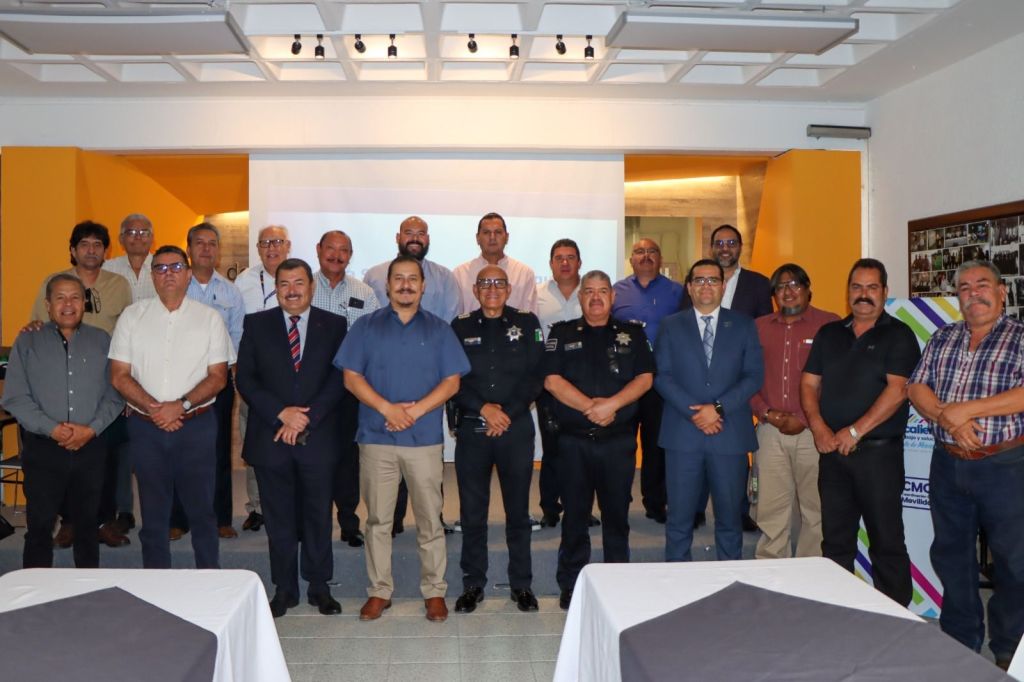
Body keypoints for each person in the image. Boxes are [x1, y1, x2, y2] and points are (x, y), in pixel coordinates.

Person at [335, 255, 470, 623]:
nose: (406, 285)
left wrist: (414, 411)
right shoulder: (365, 327)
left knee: (430, 520)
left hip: (423, 440)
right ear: (388, 285)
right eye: (399, 278)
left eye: (413, 279)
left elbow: (452, 382)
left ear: (423, 286)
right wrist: (387, 409)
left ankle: (434, 591)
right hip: (376, 437)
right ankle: (379, 591)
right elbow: (351, 377)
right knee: (378, 520)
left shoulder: (440, 330)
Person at [907, 259, 1024, 669]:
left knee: (1014, 560)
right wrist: (948, 418)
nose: (973, 293)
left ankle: (1010, 645)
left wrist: (968, 410)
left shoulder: (1019, 336)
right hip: (947, 464)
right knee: (951, 554)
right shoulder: (943, 336)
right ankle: (960, 636)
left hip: (1005, 466)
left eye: (982, 284)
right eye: (965, 288)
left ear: (1002, 291)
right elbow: (916, 386)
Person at [800, 258, 920, 606]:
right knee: (835, 541)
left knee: (886, 541)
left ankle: (894, 615)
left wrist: (854, 432)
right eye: (856, 287)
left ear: (884, 291)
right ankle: (837, 610)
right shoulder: (829, 333)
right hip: (832, 455)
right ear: (848, 291)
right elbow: (808, 384)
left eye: (871, 287)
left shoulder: (899, 335)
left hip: (878, 456)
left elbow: (898, 390)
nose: (863, 294)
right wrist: (819, 428)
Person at [109, 245, 234, 569]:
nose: (168, 274)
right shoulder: (132, 316)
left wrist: (180, 406)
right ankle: (157, 583)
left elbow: (218, 377)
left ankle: (208, 578)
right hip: (146, 428)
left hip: (196, 426)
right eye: (160, 268)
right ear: (152, 276)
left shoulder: (209, 318)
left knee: (202, 511)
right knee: (153, 514)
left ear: (189, 274)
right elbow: (119, 375)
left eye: (176, 267)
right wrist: (156, 409)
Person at [237, 258, 348, 618]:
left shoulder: (334, 324)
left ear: (311, 286)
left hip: (318, 437)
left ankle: (319, 587)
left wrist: (304, 418)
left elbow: (339, 378)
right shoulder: (257, 324)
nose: (292, 290)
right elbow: (246, 379)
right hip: (271, 437)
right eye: (284, 284)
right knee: (278, 518)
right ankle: (284, 589)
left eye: (299, 283)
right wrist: (281, 413)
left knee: (318, 516)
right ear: (276, 289)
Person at [544, 270, 654, 610]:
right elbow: (551, 381)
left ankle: (617, 583)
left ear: (612, 297)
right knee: (575, 517)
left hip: (617, 442)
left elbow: (645, 378)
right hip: (574, 443)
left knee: (616, 516)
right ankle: (572, 584)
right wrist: (590, 408)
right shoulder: (561, 333)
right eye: (589, 291)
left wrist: (612, 405)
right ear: (580, 298)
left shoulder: (632, 334)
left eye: (602, 291)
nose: (595, 297)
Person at [2, 274, 124, 569]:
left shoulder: (102, 341)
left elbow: (115, 395)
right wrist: (53, 429)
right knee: (39, 527)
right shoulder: (28, 341)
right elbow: (15, 397)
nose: (68, 304)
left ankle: (88, 588)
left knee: (87, 526)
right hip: (43, 449)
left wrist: (91, 430)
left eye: (75, 297)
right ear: (47, 304)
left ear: (84, 303)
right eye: (60, 298)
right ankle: (35, 590)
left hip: (90, 448)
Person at [30, 220, 132, 549]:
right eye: (84, 244)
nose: (91, 250)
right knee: (64, 455)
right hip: (64, 382)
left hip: (106, 384)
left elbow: (128, 333)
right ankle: (71, 522)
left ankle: (103, 521)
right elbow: (37, 326)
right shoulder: (54, 282)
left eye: (97, 244)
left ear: (106, 251)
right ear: (73, 250)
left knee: (107, 458)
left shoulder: (119, 285)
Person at [656, 259, 763, 562]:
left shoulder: (744, 325)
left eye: (713, 280)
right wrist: (696, 413)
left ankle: (729, 579)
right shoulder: (671, 325)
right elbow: (662, 376)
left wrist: (716, 408)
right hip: (682, 434)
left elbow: (753, 376)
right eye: (699, 280)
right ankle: (677, 577)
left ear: (723, 286)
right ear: (689, 287)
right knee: (679, 519)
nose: (706, 286)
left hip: (729, 434)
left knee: (729, 519)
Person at [450, 265, 544, 614]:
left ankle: (521, 585)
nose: (492, 288)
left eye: (499, 283)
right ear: (475, 290)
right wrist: (484, 409)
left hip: (515, 428)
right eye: (485, 283)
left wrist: (506, 413)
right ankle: (473, 584)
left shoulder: (528, 323)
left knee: (518, 511)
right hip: (473, 428)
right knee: (472, 512)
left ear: (509, 288)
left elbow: (537, 375)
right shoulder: (459, 326)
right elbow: (452, 377)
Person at [364, 216, 461, 533]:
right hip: (384, 383)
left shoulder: (445, 278)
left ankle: (433, 518)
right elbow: (371, 328)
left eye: (421, 233)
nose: (415, 238)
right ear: (398, 237)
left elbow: (449, 326)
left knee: (428, 455)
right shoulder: (374, 275)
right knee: (388, 456)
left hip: (430, 383)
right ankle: (391, 521)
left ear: (428, 239)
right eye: (409, 232)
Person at [749, 263, 838, 559]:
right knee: (770, 508)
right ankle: (771, 569)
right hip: (769, 430)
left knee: (816, 509)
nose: (788, 292)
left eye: (795, 285)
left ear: (808, 289)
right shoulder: (758, 327)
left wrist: (803, 418)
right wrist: (765, 412)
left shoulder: (830, 325)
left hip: (814, 431)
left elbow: (837, 379)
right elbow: (745, 377)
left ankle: (810, 570)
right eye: (781, 287)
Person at [167, 223, 245, 540]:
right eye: (200, 243)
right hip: (178, 382)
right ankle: (178, 518)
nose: (206, 249)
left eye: (212, 243)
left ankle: (220, 517)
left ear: (218, 250)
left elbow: (237, 336)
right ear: (189, 249)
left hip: (217, 382)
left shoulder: (230, 291)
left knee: (218, 450)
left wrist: (230, 375)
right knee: (178, 450)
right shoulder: (175, 286)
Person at [311, 229, 380, 548]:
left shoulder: (364, 292)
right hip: (310, 387)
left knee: (347, 458)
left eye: (343, 250)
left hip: (350, 388)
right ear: (318, 250)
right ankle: (314, 522)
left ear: (350, 256)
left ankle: (349, 522)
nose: (336, 255)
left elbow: (374, 338)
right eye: (331, 248)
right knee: (313, 456)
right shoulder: (304, 287)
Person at [612, 238, 684, 525]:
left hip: (661, 380)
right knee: (622, 445)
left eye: (651, 251)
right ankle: (618, 501)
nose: (645, 256)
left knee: (656, 445)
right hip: (625, 381)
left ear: (660, 258)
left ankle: (655, 502)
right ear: (631, 259)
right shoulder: (616, 291)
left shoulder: (677, 292)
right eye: (639, 252)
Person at [234, 225, 292, 532]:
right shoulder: (243, 281)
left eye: (277, 241)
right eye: (265, 243)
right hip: (256, 377)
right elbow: (235, 327)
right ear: (258, 248)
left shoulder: (298, 276)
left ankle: (289, 504)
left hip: (293, 376)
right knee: (255, 441)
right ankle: (257, 507)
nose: (272, 247)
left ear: (288, 246)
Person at [534, 239, 583, 528]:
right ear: (551, 263)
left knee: (581, 450)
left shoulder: (590, 293)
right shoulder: (536, 295)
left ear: (579, 262)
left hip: (584, 385)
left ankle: (580, 507)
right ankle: (550, 508)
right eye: (559, 258)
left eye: (570, 257)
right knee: (552, 448)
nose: (565, 262)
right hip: (549, 384)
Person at [453, 212, 538, 315]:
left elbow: (530, 316)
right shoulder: (460, 274)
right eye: (486, 232)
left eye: (498, 232)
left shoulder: (524, 273)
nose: (492, 237)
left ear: (507, 237)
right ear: (477, 238)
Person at [102, 213, 156, 302]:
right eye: (131, 233)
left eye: (144, 233)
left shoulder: (164, 268)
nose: (138, 237)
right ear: (121, 239)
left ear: (152, 238)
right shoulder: (107, 269)